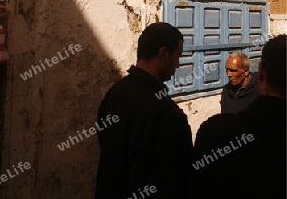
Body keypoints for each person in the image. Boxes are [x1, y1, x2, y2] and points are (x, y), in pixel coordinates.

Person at [95, 22, 193, 199]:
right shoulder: (158, 109)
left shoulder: (116, 93)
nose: (177, 65)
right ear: (163, 53)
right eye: (177, 56)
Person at [192, 35, 286, 199]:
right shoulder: (225, 96)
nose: (229, 74)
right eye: (227, 70)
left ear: (260, 73)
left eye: (233, 70)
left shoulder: (213, 132)